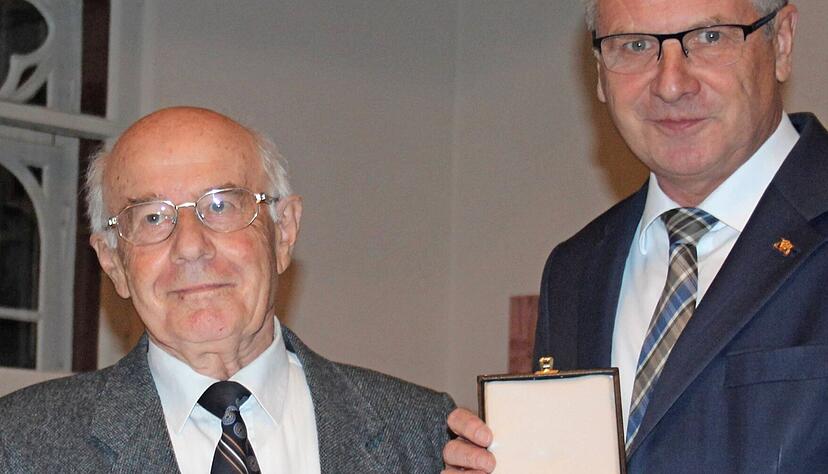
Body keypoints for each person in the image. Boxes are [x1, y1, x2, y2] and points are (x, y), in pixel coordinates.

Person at [444, 0, 828, 472]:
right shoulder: (574, 270)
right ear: (600, 74)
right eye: (636, 45)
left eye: (710, 38)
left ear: (782, 41)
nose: (670, 85)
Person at [0, 107, 454, 473]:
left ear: (285, 231)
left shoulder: (425, 435)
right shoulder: (19, 445)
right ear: (113, 262)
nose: (191, 247)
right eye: (153, 217)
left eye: (220, 206)